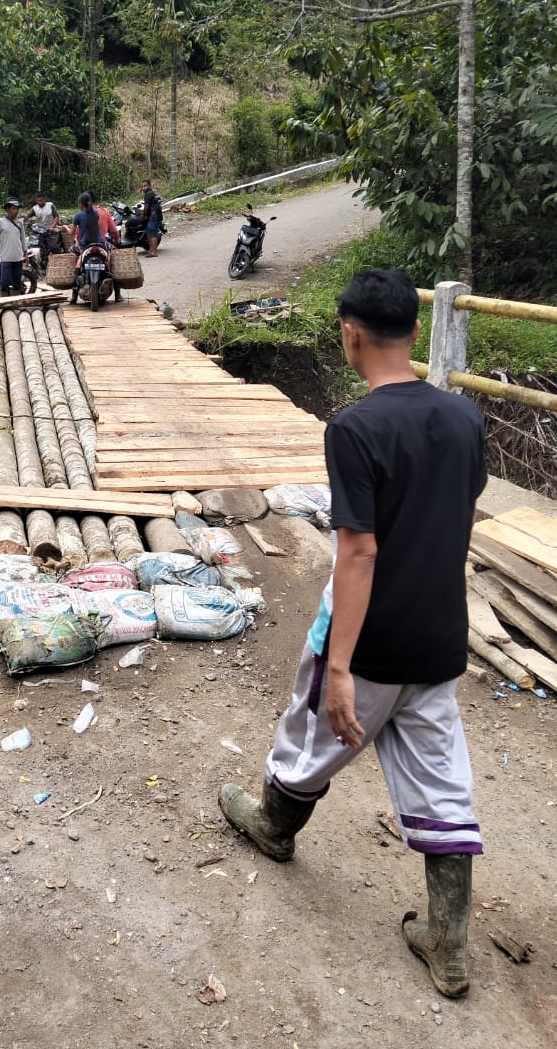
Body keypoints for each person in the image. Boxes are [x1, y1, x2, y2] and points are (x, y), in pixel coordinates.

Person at [218, 268, 487, 1001]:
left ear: (349, 333)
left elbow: (359, 551)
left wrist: (339, 665)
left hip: (369, 638)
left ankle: (273, 826)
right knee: (439, 782)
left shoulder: (355, 427)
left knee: (310, 738)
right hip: (438, 639)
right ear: (412, 327)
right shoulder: (464, 418)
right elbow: (458, 517)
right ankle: (447, 943)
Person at [0, 198, 28, 295]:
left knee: (17, 282)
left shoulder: (19, 223)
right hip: (6, 258)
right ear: (8, 209)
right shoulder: (0, 222)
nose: (16, 211)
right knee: (4, 283)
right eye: (14, 208)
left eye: (17, 208)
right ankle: (4, 303)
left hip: (18, 257)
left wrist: (25, 253)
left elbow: (22, 238)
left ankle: (15, 303)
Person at [140, 179, 162, 257]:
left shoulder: (148, 194)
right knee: (149, 232)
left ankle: (154, 252)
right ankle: (150, 250)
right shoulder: (151, 193)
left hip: (154, 217)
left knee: (153, 234)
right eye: (142, 186)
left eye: (145, 186)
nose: (143, 188)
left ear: (149, 186)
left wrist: (144, 215)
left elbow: (146, 207)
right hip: (154, 216)